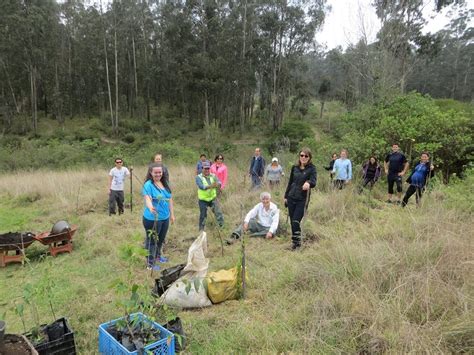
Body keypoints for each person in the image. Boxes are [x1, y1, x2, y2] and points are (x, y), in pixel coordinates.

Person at [142, 163, 175, 271]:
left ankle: (157, 256)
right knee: (152, 241)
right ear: (151, 173)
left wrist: (172, 215)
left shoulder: (164, 183)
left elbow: (169, 199)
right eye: (155, 172)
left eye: (160, 172)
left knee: (160, 239)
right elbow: (147, 198)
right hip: (152, 219)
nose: (158, 174)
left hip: (165, 217)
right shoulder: (148, 185)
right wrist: (151, 207)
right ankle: (150, 264)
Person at [284, 147, 317, 250]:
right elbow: (290, 182)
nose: (303, 157)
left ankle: (297, 244)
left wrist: (308, 183)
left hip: (302, 199)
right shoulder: (294, 168)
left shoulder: (312, 169)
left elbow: (314, 181)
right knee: (292, 221)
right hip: (291, 197)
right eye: (301, 155)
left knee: (296, 221)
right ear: (299, 156)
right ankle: (295, 242)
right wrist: (285, 196)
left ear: (309, 157)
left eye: (306, 156)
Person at [196, 161, 224, 231]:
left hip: (213, 198)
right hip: (203, 200)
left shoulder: (213, 176)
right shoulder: (198, 177)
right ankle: (201, 230)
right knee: (203, 215)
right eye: (205, 169)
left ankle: (222, 227)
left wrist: (218, 184)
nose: (207, 170)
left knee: (218, 212)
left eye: (208, 168)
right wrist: (212, 186)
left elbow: (219, 182)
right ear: (202, 169)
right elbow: (201, 186)